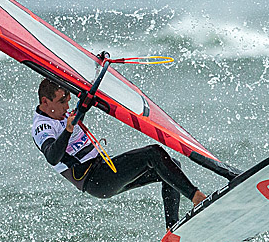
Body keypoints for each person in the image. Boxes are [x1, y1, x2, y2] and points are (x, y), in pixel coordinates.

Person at [31, 78, 208, 230]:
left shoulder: (62, 115)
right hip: (96, 179)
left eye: (68, 101)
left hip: (105, 169)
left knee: (170, 166)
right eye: (62, 101)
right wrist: (68, 129)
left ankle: (173, 229)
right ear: (45, 101)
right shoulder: (42, 127)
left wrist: (84, 105)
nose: (67, 106)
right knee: (153, 154)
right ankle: (197, 197)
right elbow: (52, 156)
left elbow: (76, 119)